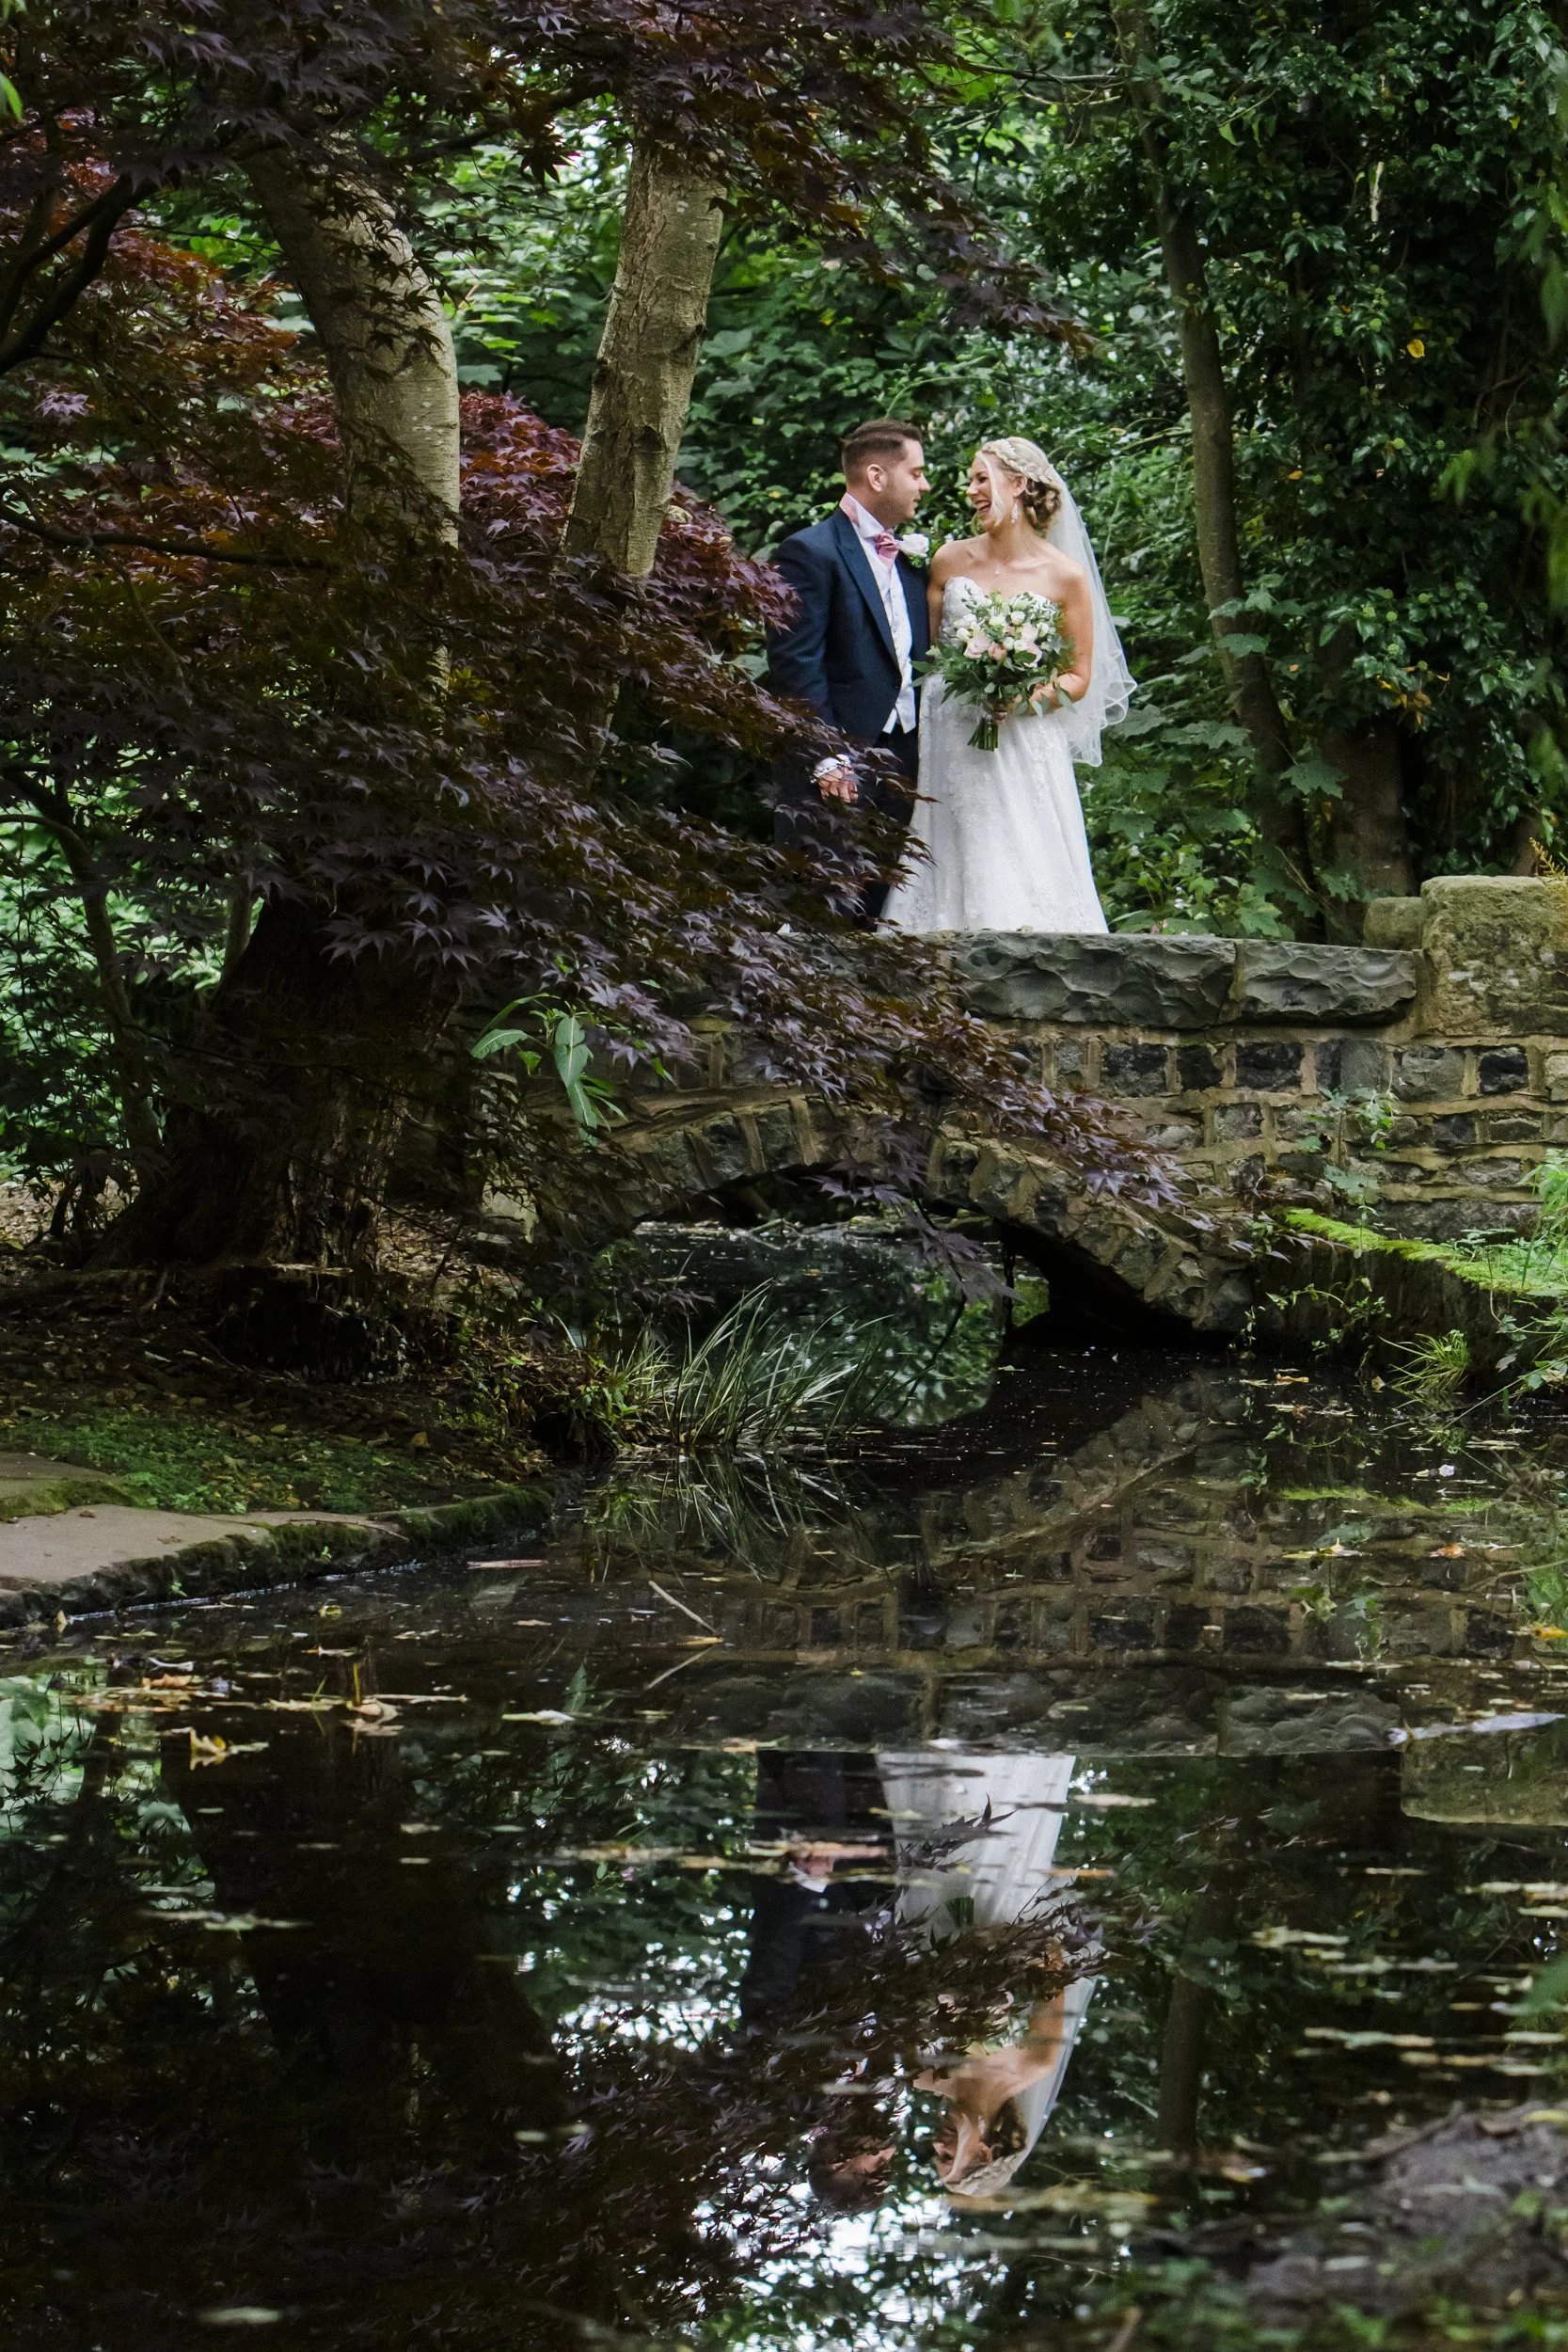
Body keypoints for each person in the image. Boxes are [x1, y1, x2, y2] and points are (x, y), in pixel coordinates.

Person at [880, 436, 1134, 936]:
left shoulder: (1064, 575)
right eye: (970, 481)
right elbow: (928, 655)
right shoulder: (949, 560)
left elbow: (1078, 676)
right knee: (951, 830)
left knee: (1019, 839)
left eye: (982, 479)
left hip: (1023, 735)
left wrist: (1020, 700)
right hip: (951, 727)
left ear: (1017, 485)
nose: (971, 490)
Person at [766, 419, 932, 923]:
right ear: (877, 476)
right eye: (916, 473)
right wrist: (826, 757)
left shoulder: (912, 561)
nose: (925, 485)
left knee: (887, 911)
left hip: (906, 761)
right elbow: (795, 665)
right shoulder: (808, 552)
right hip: (840, 766)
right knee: (828, 913)